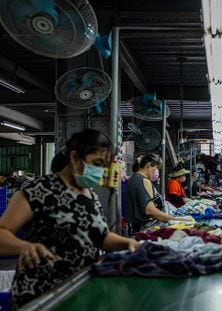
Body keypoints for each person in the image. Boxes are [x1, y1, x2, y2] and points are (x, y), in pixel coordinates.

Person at [0, 129, 139, 309]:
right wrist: (24, 246)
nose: (100, 171)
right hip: (41, 294)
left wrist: (129, 243)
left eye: (104, 166)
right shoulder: (39, 189)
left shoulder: (89, 194)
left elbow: (101, 236)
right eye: (96, 163)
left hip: (79, 291)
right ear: (74, 157)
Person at [125, 154, 176, 233]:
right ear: (148, 165)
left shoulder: (133, 178)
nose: (156, 172)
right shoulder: (143, 181)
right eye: (155, 168)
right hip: (141, 228)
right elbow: (150, 210)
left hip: (133, 228)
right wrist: (174, 219)